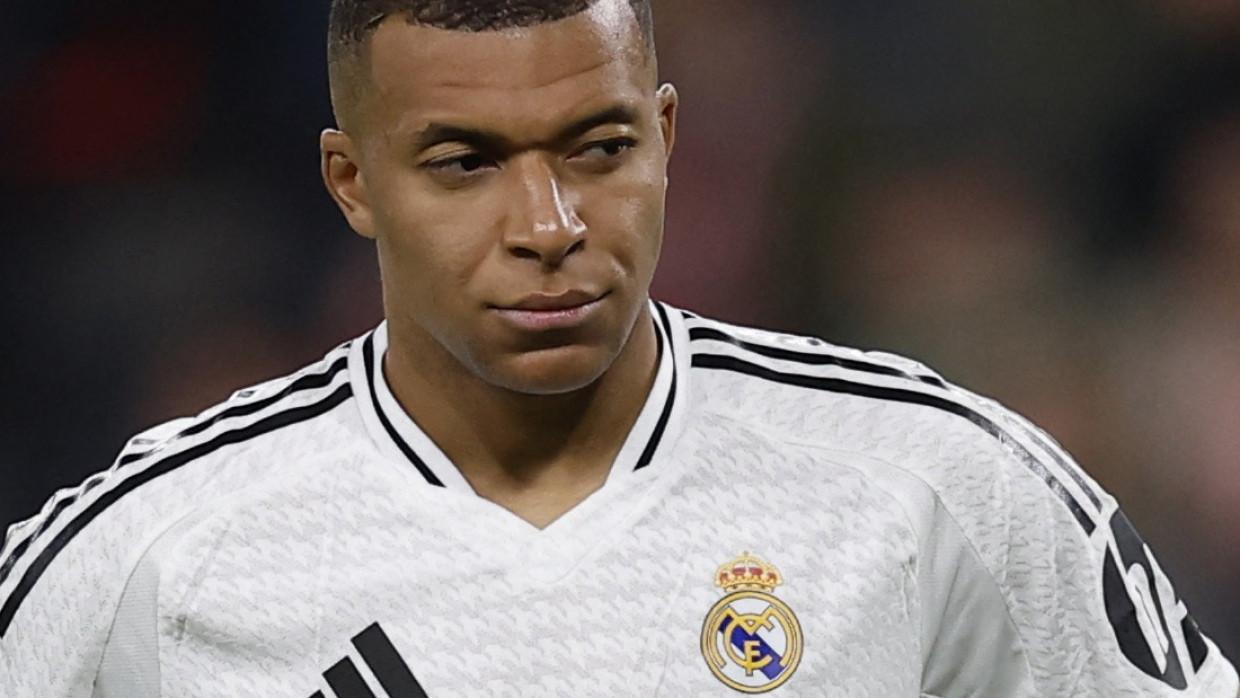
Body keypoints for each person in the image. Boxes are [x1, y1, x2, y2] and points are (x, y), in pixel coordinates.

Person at [0, 0, 1236, 695]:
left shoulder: (934, 482)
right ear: (351, 181)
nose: (549, 226)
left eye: (598, 148)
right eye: (464, 163)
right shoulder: (154, 547)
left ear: (667, 137)